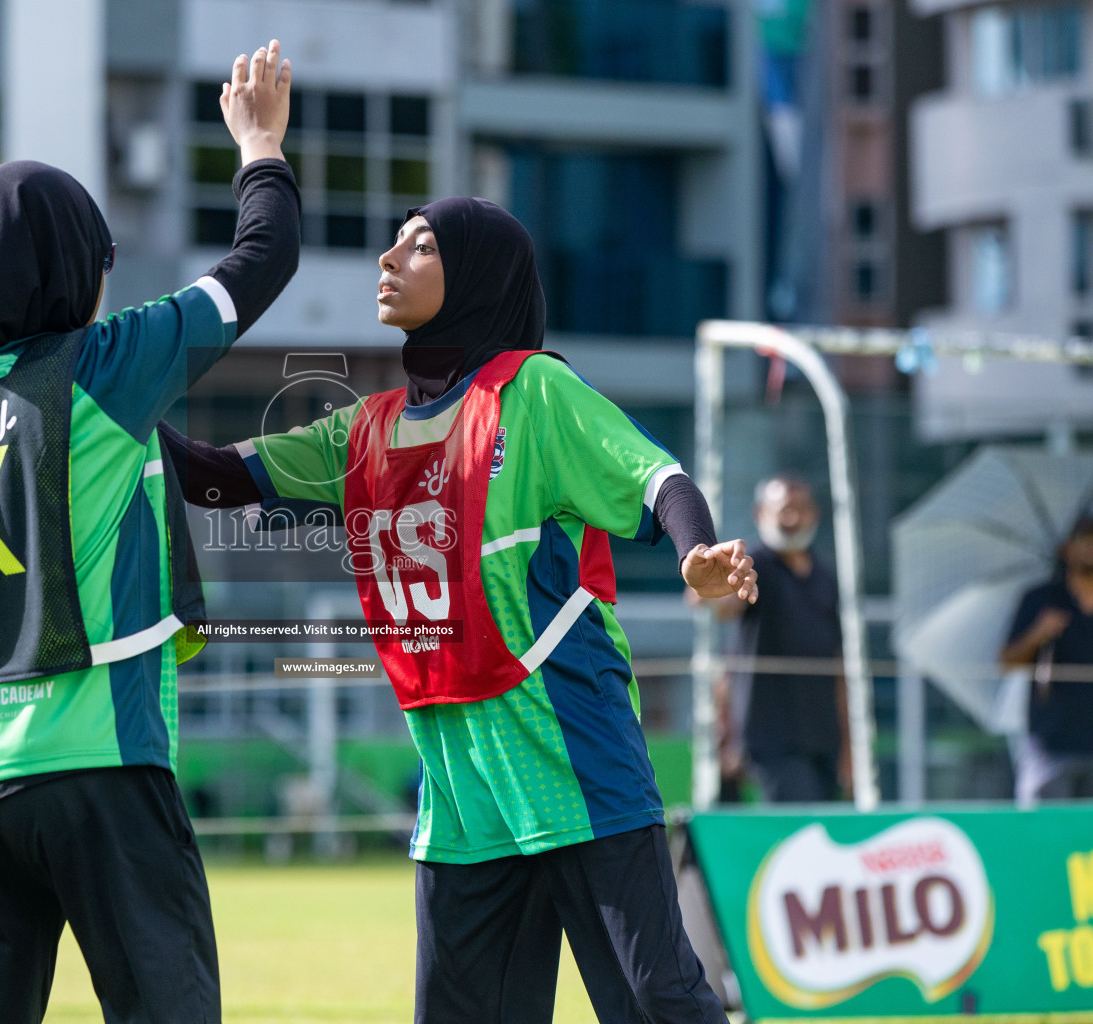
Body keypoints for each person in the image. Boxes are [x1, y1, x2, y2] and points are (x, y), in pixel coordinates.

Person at [160, 199, 756, 1023]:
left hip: (572, 759)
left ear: (478, 275)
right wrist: (101, 391)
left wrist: (696, 551)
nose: (389, 258)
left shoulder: (534, 390)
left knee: (658, 1001)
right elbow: (213, 478)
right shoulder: (364, 432)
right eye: (395, 241)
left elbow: (659, 480)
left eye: (422, 245)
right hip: (459, 789)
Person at [0, 41, 297, 1024]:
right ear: (69, 270)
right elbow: (262, 261)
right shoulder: (100, 369)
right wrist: (259, 146)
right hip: (91, 759)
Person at [707, 475, 848, 803]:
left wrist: (849, 748)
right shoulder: (752, 569)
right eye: (784, 509)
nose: (793, 518)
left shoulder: (826, 578)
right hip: (770, 741)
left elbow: (839, 667)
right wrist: (707, 584)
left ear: (815, 513)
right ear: (761, 514)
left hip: (825, 741)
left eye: (800, 509)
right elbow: (720, 606)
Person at [1002, 517, 1093, 803]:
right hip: (1051, 745)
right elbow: (1007, 662)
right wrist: (1038, 634)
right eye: (1085, 540)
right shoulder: (1042, 599)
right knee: (1049, 832)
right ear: (1067, 548)